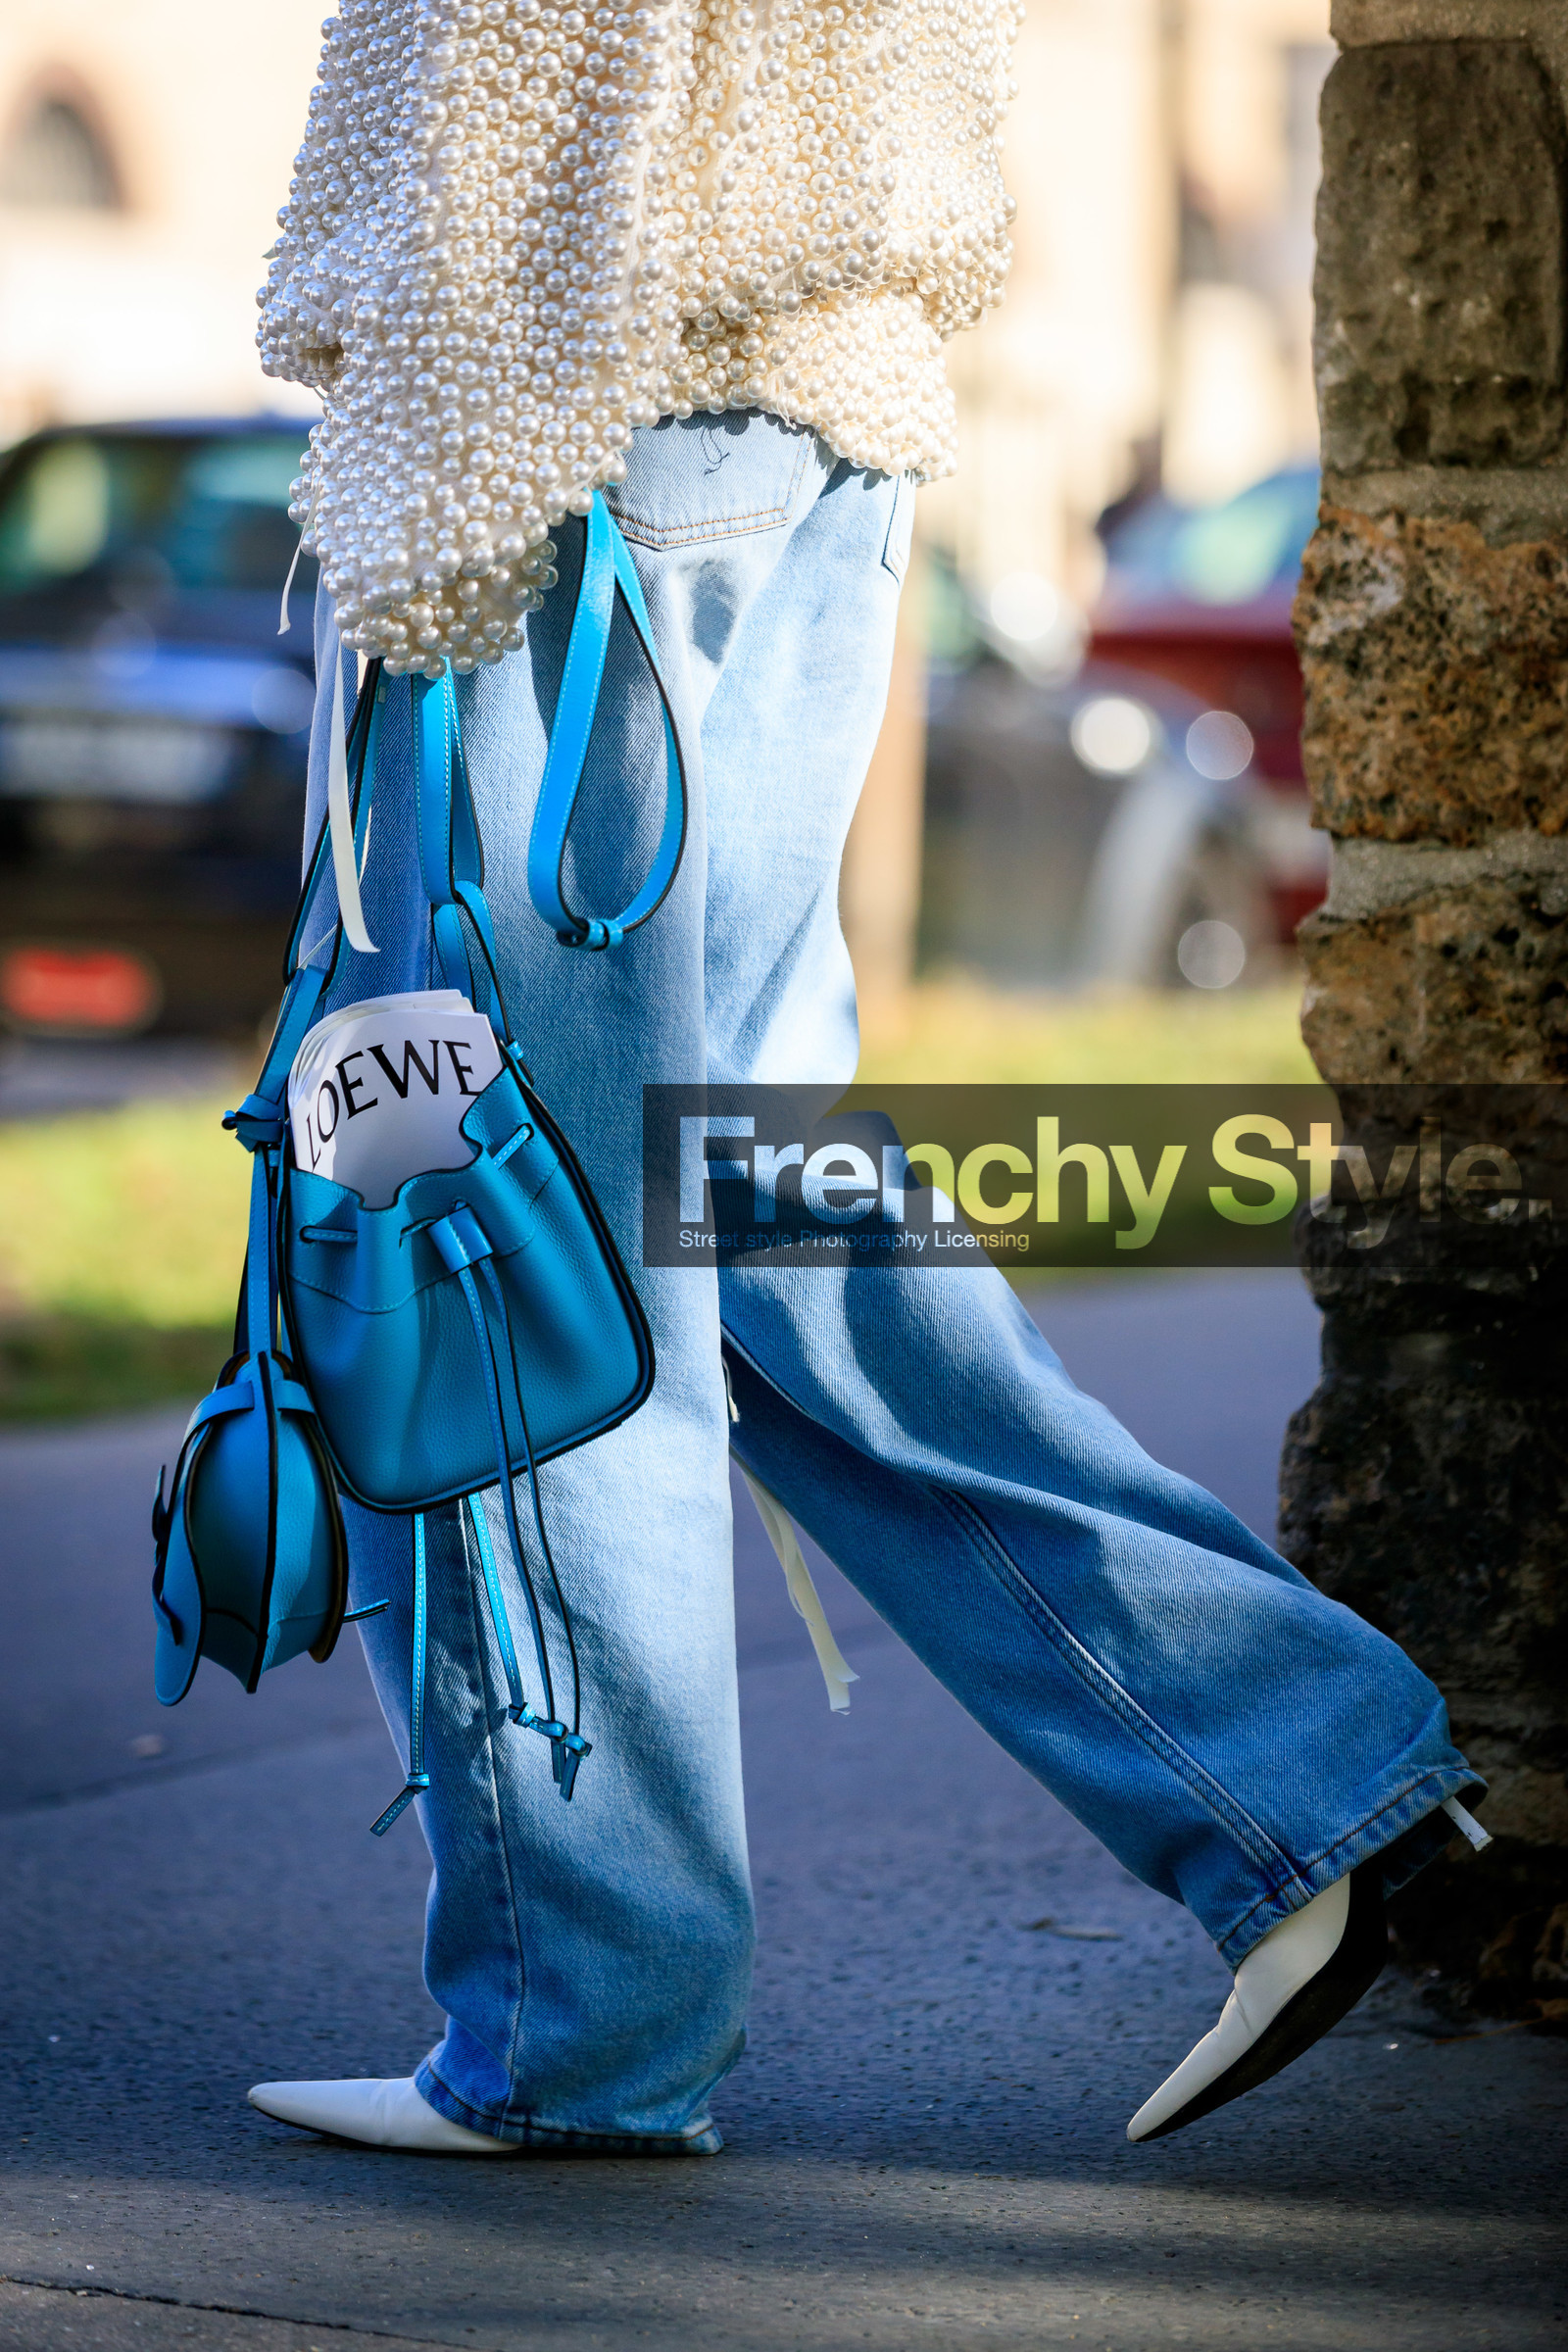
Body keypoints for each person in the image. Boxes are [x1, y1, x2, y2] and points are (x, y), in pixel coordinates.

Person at [247, 0, 1484, 2157]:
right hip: (810, 383)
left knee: (517, 1235)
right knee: (718, 1183)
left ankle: (582, 2026)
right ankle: (1298, 1779)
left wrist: (444, 475)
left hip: (572, 400)